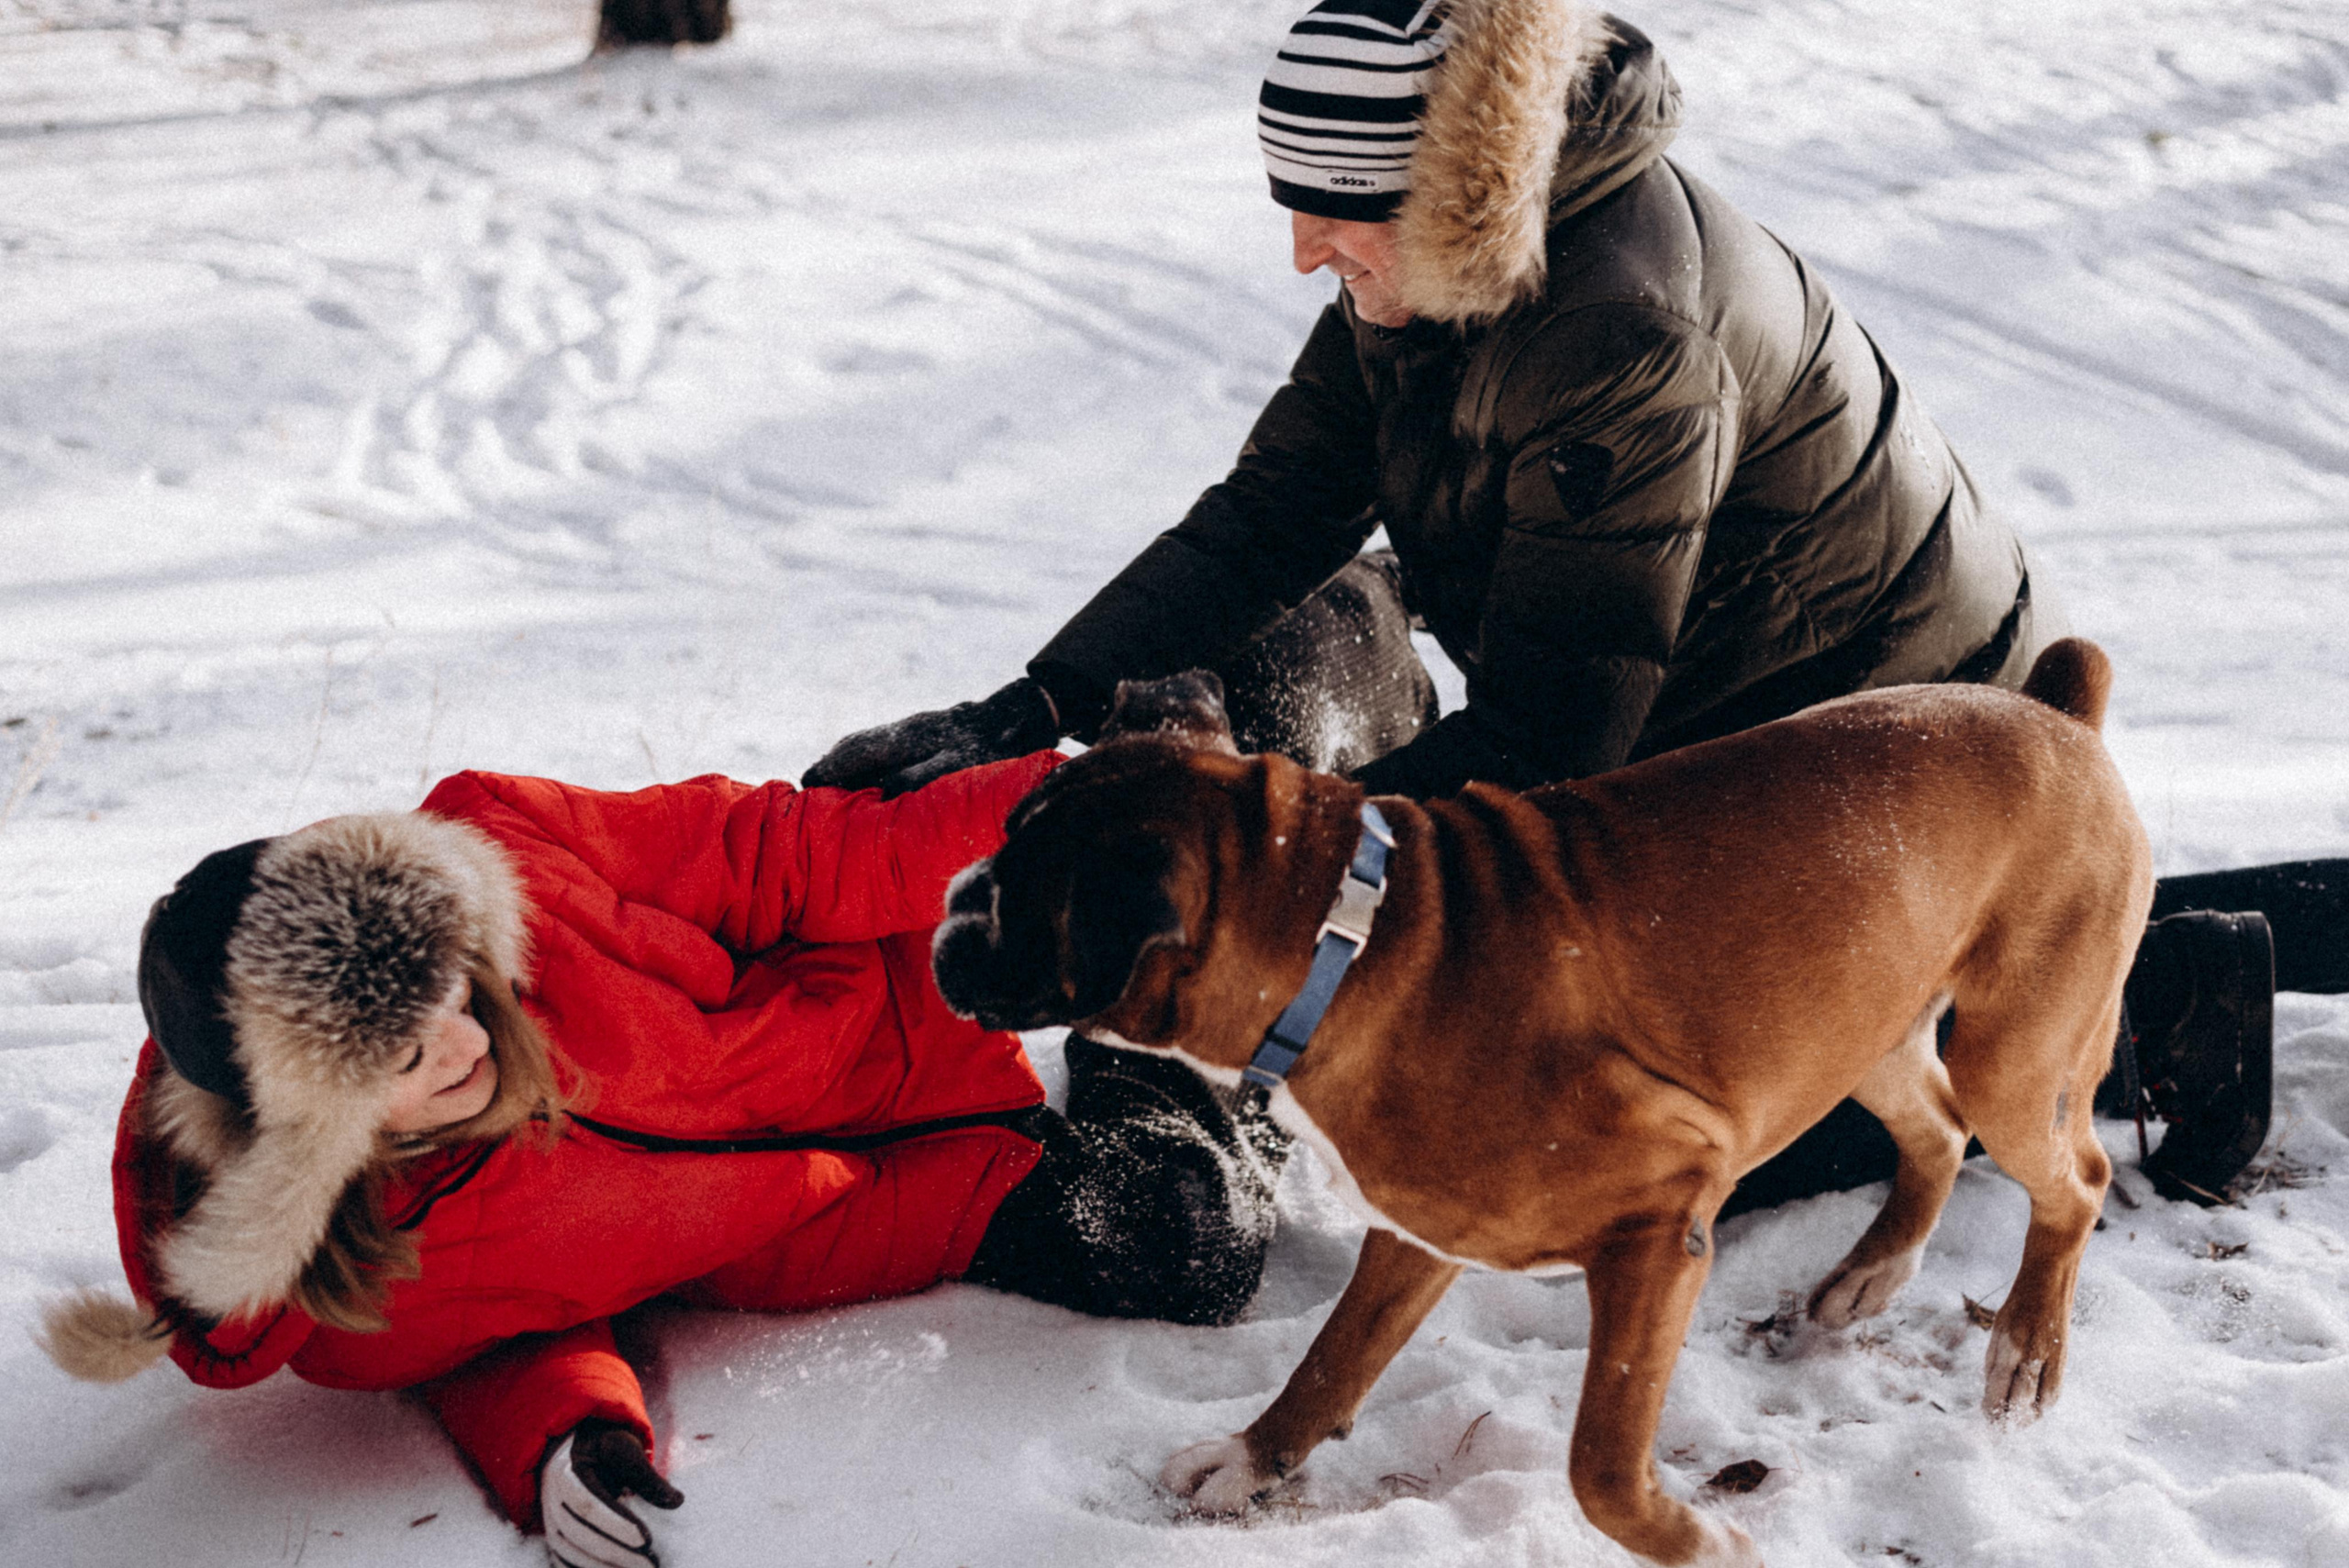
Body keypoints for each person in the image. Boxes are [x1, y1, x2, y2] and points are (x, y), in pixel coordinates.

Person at [805, 0, 2346, 1207]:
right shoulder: (1437, 258)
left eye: (1335, 208)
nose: (1303, 250)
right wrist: (1030, 703)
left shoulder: (1619, 327)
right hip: (1708, 693)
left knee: (1651, 1122)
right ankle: (2110, 941)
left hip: (1901, 740)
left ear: (1451, 186)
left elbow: (1558, 732)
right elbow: (1270, 515)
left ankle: (2173, 994)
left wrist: (1269, 907)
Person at [38, 758, 1285, 1566]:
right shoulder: (357, 1282)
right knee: (1197, 1242)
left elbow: (783, 856)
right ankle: (1165, 1066)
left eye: (456, 989)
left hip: (905, 962)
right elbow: (492, 1336)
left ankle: (1224, 842)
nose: (471, 1042)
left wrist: (1051, 810)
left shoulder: (514, 853)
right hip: (886, 1207)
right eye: (408, 1054)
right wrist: (564, 1436)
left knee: (1101, 865)